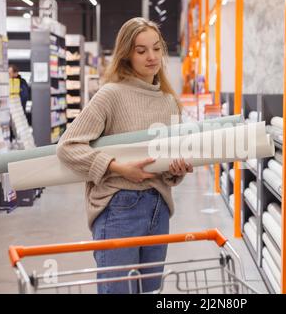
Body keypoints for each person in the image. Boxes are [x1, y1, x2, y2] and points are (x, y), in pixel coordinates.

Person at [56, 17, 193, 294]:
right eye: (141, 51)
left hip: (159, 208)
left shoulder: (169, 101)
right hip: (119, 207)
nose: (151, 57)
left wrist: (175, 170)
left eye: (156, 48)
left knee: (151, 291)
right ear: (126, 54)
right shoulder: (111, 95)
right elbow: (68, 146)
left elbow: (166, 161)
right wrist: (118, 167)